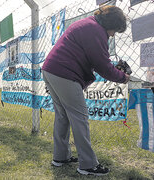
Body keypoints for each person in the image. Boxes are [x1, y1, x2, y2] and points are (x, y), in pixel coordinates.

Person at [42, 5, 130, 176]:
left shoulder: (87, 24)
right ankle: (88, 165)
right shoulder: (97, 31)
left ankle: (60, 157)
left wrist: (114, 70)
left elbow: (96, 59)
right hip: (65, 73)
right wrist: (122, 77)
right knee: (79, 116)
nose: (112, 35)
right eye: (115, 30)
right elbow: (103, 66)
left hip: (51, 70)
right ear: (110, 24)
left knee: (62, 115)